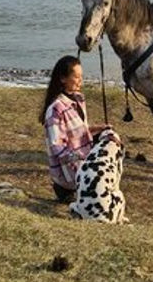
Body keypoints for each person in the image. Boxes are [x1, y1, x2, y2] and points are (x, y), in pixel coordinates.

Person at [39, 55, 106, 202]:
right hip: (70, 175)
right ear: (63, 79)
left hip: (84, 167)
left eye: (81, 76)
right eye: (76, 77)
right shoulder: (55, 110)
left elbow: (78, 132)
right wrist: (84, 159)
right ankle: (65, 191)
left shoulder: (78, 99)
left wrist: (99, 129)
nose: (80, 80)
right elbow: (58, 148)